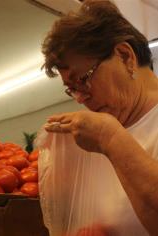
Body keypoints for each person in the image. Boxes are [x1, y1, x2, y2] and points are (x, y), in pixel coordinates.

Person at [40, 0, 158, 235]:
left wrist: (110, 139)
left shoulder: (106, 135)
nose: (81, 99)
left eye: (83, 79)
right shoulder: (92, 138)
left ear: (125, 57)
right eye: (72, 88)